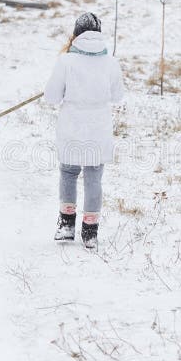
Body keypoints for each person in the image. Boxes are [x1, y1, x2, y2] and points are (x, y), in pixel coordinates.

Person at [44, 13, 124, 249]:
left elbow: (51, 97)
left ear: (76, 34)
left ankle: (66, 226)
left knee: (68, 172)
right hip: (98, 127)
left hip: (72, 126)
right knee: (93, 177)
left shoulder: (65, 61)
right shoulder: (111, 62)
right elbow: (118, 96)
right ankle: (90, 232)